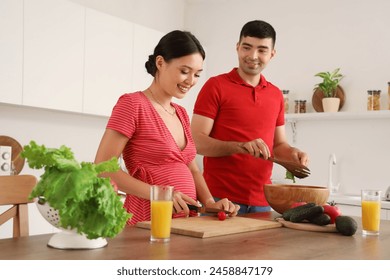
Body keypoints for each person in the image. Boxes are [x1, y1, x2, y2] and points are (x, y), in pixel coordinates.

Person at [94, 30, 239, 225]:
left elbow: (192, 169)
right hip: (147, 220)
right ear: (160, 63)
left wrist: (210, 202)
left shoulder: (180, 112)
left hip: (185, 222)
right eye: (184, 71)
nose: (191, 81)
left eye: (197, 74)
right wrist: (160, 194)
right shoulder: (132, 104)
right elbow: (103, 167)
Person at [191, 20, 309, 214]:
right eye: (247, 47)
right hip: (219, 199)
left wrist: (293, 154)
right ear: (237, 48)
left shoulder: (276, 94)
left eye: (262, 50)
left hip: (263, 202)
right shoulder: (216, 86)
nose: (253, 56)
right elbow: (196, 141)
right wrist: (240, 146)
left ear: (272, 54)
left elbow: (278, 146)